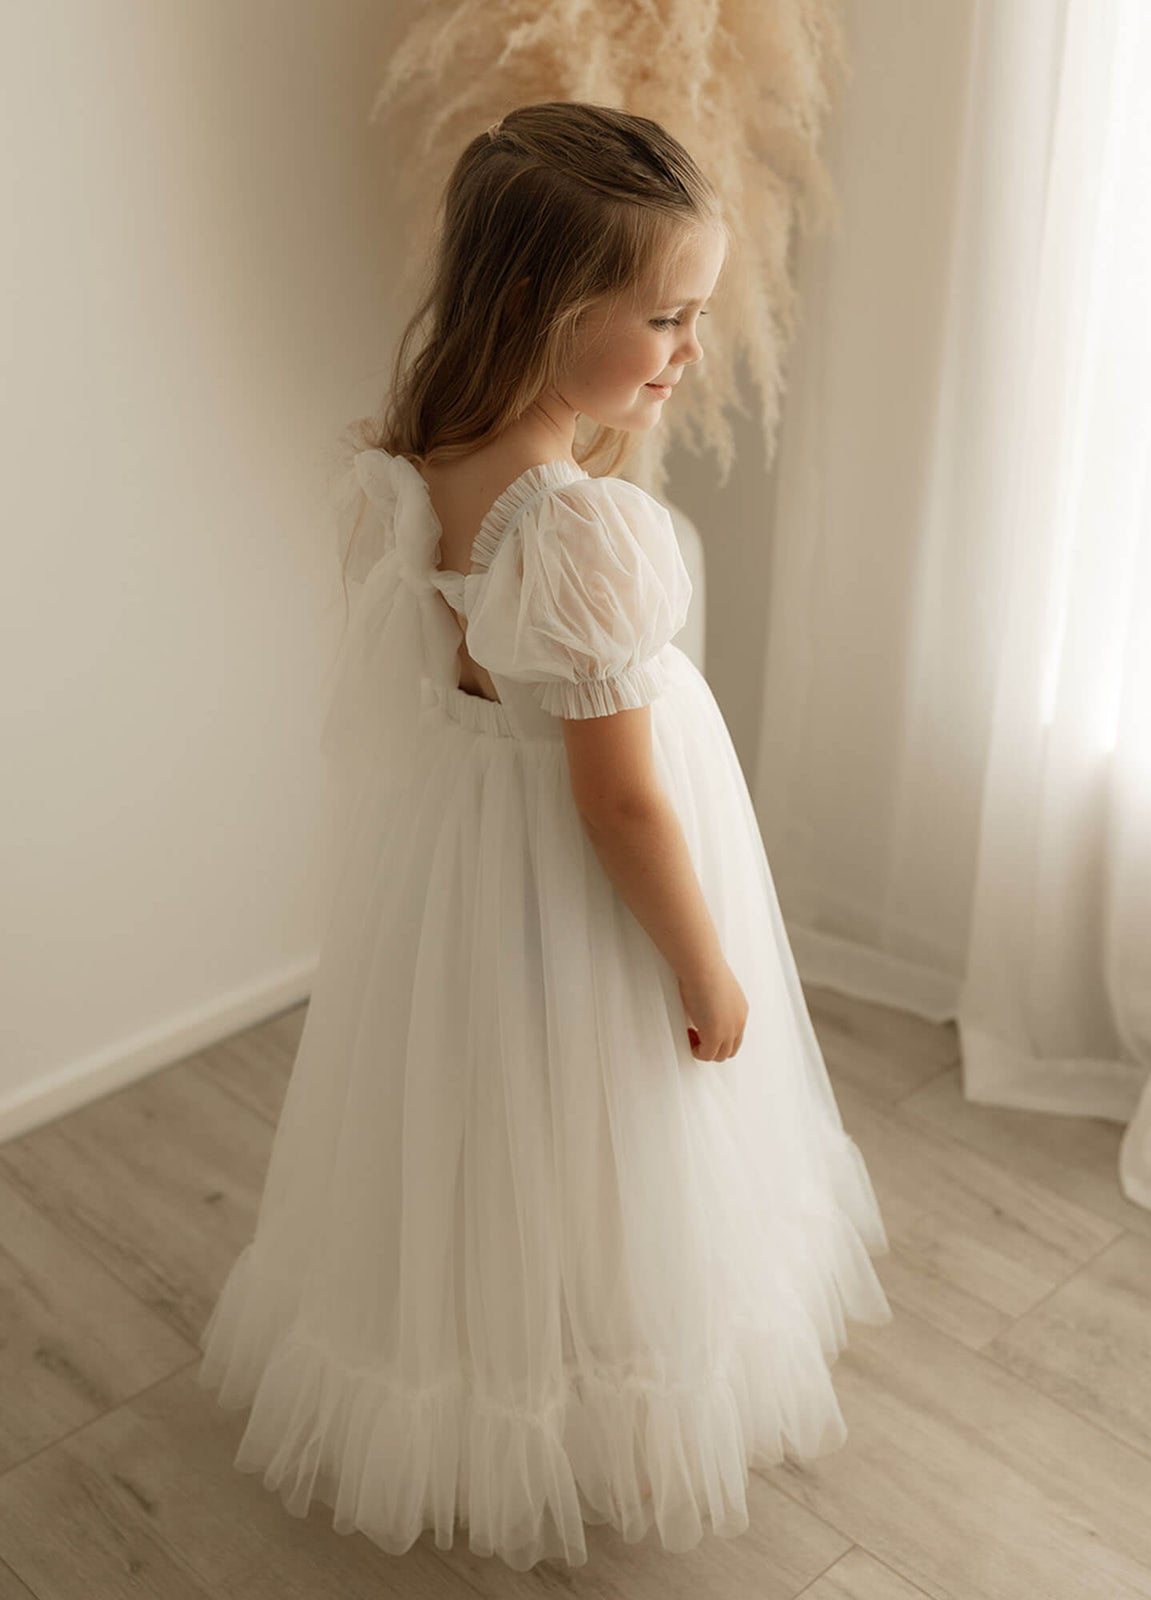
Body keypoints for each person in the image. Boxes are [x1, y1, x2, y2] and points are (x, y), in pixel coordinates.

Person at [196, 99, 892, 1572]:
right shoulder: (576, 526)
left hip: (460, 861)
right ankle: (599, 1406)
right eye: (665, 319)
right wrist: (704, 964)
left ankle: (489, 1360)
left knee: (480, 1126)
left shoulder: (417, 455)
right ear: (540, 308)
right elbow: (622, 798)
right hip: (577, 882)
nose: (689, 354)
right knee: (610, 1132)